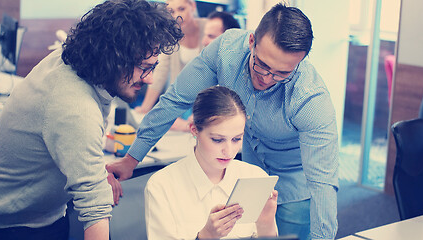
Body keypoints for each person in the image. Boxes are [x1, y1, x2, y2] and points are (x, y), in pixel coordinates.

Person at [108, 3, 339, 240]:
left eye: (282, 73)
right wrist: (131, 159)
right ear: (251, 42)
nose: (268, 78)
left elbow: (324, 182)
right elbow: (175, 100)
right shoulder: (226, 51)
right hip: (249, 170)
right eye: (262, 65)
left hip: (295, 180)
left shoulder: (311, 99)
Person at [0, 1, 183, 240]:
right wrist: (94, 183)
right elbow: (95, 208)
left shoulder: (76, 62)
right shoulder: (74, 105)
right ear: (112, 57)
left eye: (153, 67)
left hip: (28, 213)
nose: (150, 79)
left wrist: (94, 173)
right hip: (17, 227)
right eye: (144, 68)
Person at [144, 86, 278, 239]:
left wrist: (265, 224)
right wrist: (205, 236)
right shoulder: (162, 186)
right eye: (217, 140)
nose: (228, 151)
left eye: (236, 139)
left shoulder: (255, 177)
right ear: (194, 130)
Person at [134, 0, 206, 131]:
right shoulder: (171, 34)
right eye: (171, 11)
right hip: (182, 99)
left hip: (205, 100)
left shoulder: (208, 28)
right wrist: (145, 107)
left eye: (181, 9)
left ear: (193, 6)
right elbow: (161, 71)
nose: (177, 15)